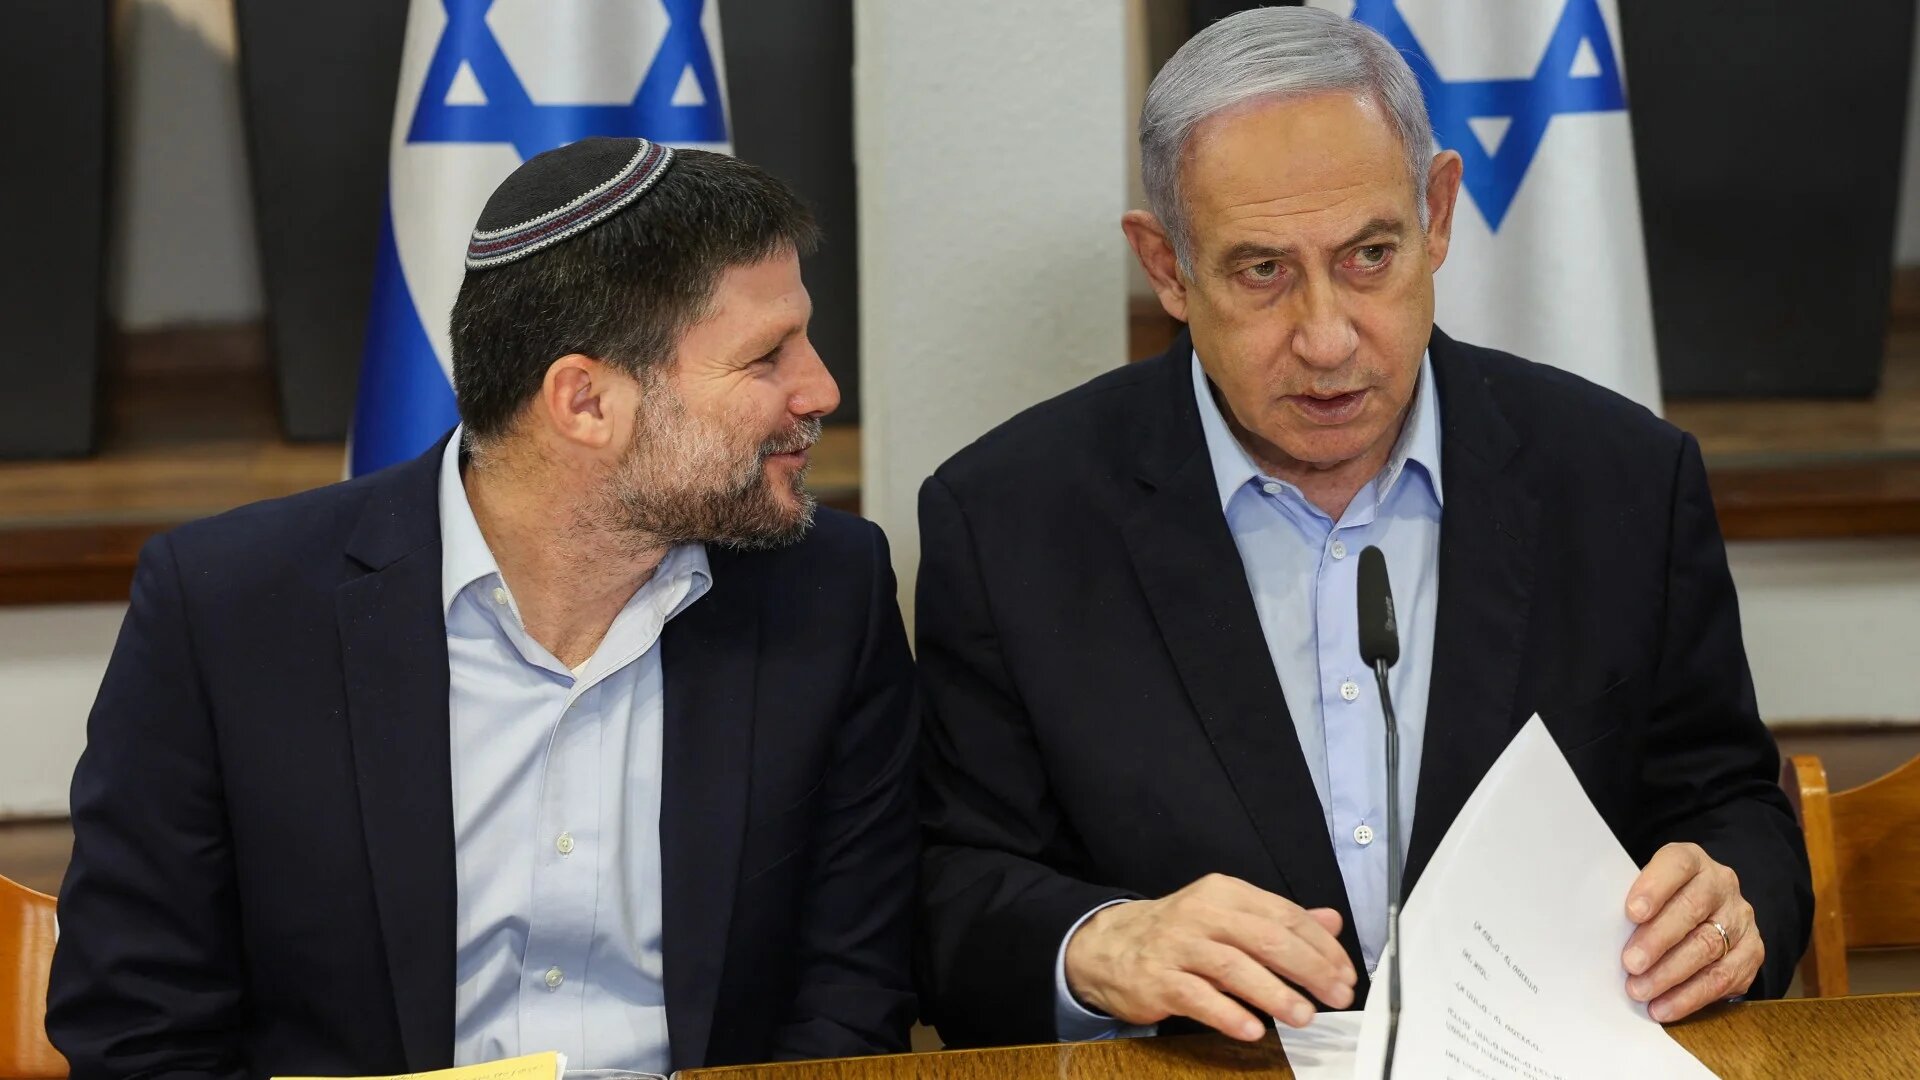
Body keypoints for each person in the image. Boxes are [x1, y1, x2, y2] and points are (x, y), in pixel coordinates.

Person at [914, 7, 1810, 1048]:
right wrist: (1100, 945)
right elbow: (948, 892)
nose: (1329, 337)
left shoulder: (1619, 480)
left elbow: (1729, 804)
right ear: (1167, 267)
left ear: (1436, 213)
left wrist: (1731, 903)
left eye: (1370, 255)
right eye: (1262, 272)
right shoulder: (1010, 520)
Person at [49, 137, 917, 1078]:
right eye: (765, 358)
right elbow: (137, 1027)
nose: (820, 390)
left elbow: (854, 994)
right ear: (583, 401)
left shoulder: (830, 590)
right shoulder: (229, 610)